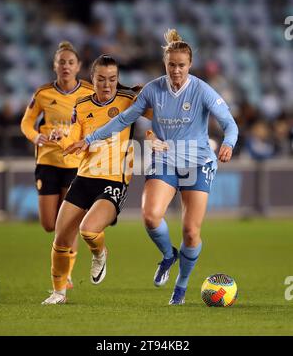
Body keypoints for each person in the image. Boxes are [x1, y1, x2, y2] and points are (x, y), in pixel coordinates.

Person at [64, 29, 239, 305]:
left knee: (191, 232)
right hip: (165, 158)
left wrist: (228, 142)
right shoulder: (153, 90)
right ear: (165, 64)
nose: (176, 70)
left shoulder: (202, 90)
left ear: (189, 65)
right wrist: (89, 139)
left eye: (181, 65)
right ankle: (168, 255)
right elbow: (123, 119)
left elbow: (230, 123)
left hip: (197, 161)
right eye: (172, 65)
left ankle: (180, 287)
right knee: (150, 216)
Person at [41, 54, 151, 305]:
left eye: (112, 79)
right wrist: (62, 138)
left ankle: (100, 253)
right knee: (61, 238)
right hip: (84, 176)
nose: (107, 84)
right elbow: (75, 139)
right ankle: (58, 293)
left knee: (88, 230)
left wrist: (150, 93)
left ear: (118, 80)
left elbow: (160, 113)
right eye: (101, 79)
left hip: (114, 180)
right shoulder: (81, 105)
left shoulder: (128, 101)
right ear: (92, 79)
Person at [21, 41, 93, 289]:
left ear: (78, 66)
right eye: (61, 62)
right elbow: (26, 123)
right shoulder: (43, 94)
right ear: (55, 66)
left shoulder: (87, 92)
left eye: (70, 62)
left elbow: (95, 123)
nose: (66, 66)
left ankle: (67, 273)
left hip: (75, 164)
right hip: (48, 162)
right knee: (49, 224)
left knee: (68, 222)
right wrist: (35, 136)